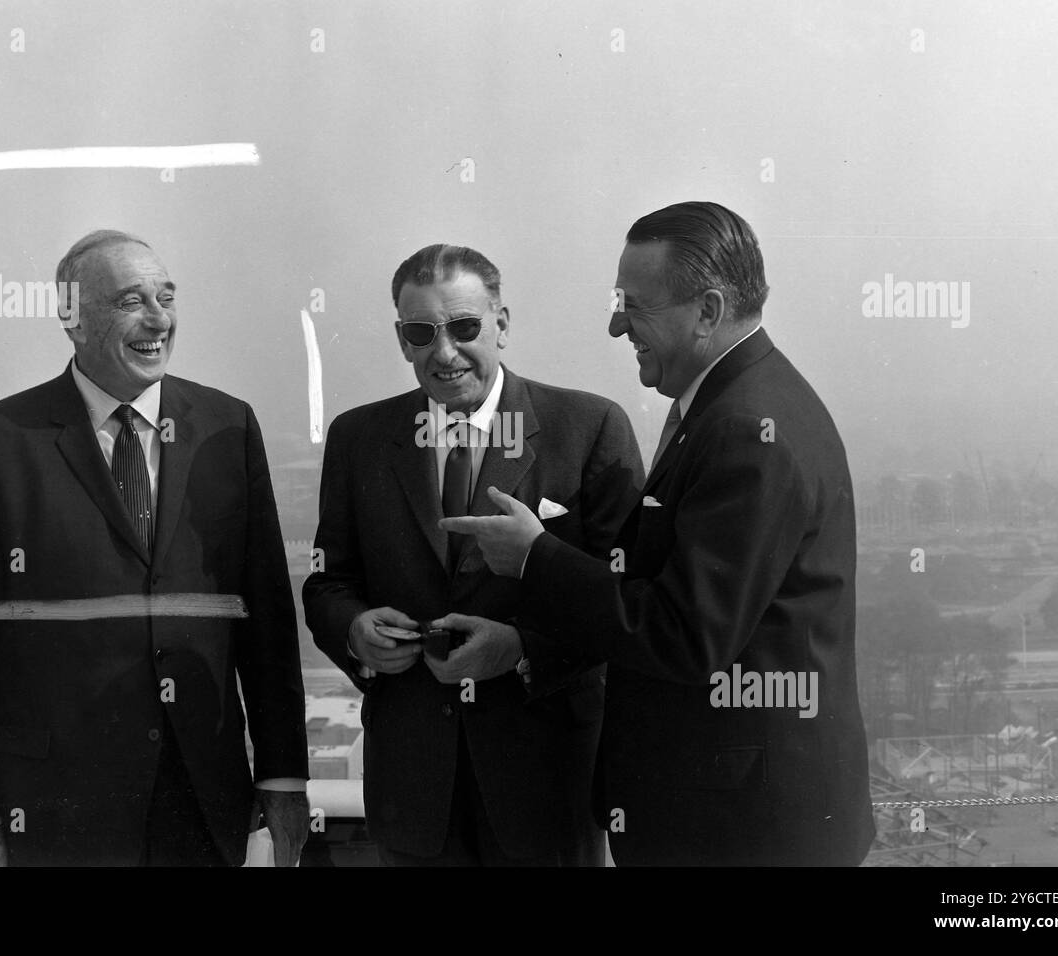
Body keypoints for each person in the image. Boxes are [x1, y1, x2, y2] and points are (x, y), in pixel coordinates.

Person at [443, 203, 876, 865]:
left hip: (740, 833)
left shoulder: (743, 430)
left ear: (707, 310)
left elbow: (684, 633)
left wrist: (536, 558)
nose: (617, 325)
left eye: (635, 306)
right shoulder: (743, 405)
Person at [0, 230, 309, 866]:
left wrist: (282, 778)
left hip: (202, 802)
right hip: (55, 812)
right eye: (132, 301)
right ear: (73, 320)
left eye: (167, 297)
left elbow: (264, 622)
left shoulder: (229, 427)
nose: (159, 319)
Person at [302, 244, 643, 865]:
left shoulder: (588, 427)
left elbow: (627, 601)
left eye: (464, 328)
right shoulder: (359, 439)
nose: (444, 352)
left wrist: (519, 649)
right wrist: (354, 630)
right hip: (413, 793)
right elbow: (327, 582)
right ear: (402, 340)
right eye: (421, 332)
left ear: (502, 325)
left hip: (546, 787)